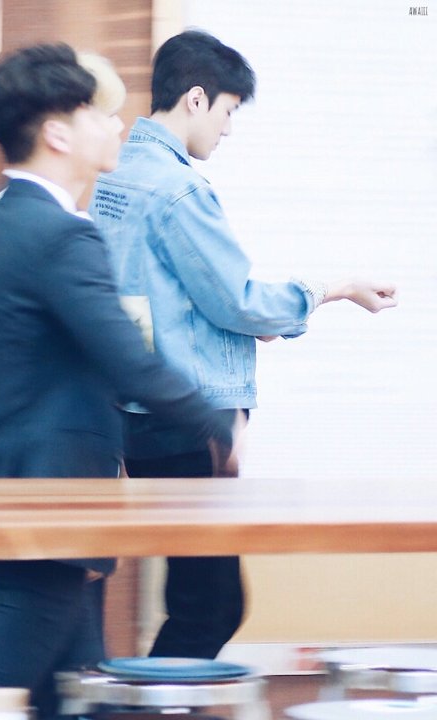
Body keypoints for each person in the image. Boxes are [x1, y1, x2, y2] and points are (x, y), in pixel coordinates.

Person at [90, 29, 398, 660]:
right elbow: (240, 301)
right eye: (228, 111)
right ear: (196, 99)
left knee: (195, 597)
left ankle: (151, 697)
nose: (228, 128)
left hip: (136, 413)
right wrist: (335, 288)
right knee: (212, 606)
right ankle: (145, 703)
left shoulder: (114, 177)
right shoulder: (178, 189)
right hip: (190, 416)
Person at [0, 42, 237, 719]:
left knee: (79, 693)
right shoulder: (59, 234)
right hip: (46, 507)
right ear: (58, 133)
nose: (117, 125)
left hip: (1, 494)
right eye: (98, 113)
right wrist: (219, 426)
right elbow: (130, 362)